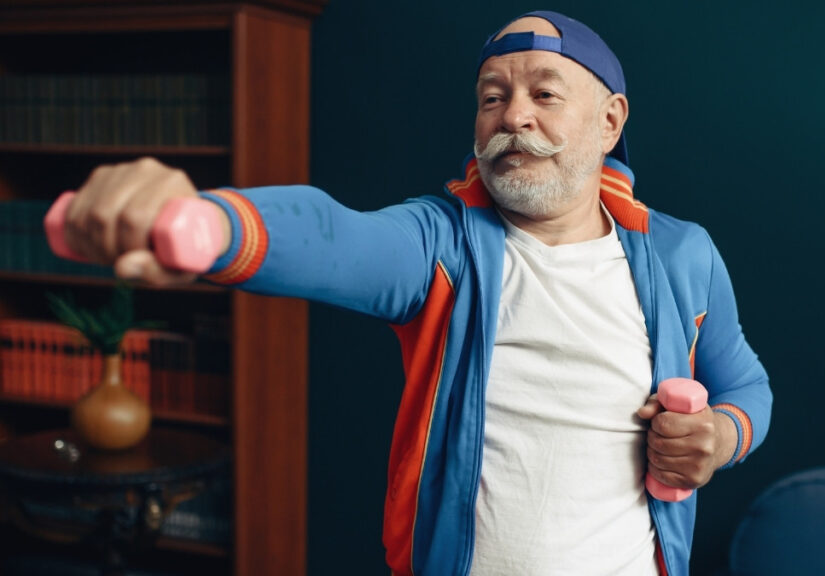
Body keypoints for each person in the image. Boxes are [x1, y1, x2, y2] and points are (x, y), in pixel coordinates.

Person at [60, 10, 771, 576]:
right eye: (492, 97)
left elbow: (746, 387)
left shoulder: (681, 256)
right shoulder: (441, 246)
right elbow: (335, 237)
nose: (513, 116)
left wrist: (717, 437)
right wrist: (205, 222)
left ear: (610, 120)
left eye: (544, 93)